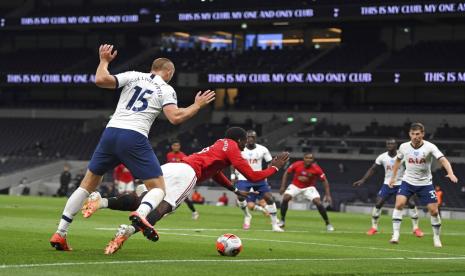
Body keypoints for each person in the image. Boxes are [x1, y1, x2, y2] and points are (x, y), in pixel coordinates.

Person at [49, 44, 215, 251]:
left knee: (87, 185)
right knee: (158, 189)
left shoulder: (134, 75)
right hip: (134, 136)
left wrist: (104, 61)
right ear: (169, 72)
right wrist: (197, 105)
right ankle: (141, 213)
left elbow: (101, 80)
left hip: (110, 133)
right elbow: (175, 117)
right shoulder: (166, 88)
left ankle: (60, 232)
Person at [81, 127, 289, 254]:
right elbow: (252, 176)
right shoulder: (233, 146)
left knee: (142, 198)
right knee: (166, 207)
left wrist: (233, 188)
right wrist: (275, 167)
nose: (244, 147)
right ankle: (129, 230)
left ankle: (103, 203)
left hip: (172, 168)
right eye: (244, 142)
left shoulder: (219, 145)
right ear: (240, 139)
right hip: (187, 174)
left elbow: (216, 172)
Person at [389, 123, 458, 247]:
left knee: (434, 211)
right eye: (413, 134)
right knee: (399, 204)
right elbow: (398, 161)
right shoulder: (404, 147)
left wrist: (451, 173)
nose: (415, 136)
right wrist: (393, 178)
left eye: (418, 134)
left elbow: (443, 160)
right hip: (408, 181)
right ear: (410, 134)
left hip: (425, 184)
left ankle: (436, 238)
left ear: (422, 134)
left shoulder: (430, 147)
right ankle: (395, 234)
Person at [353, 139, 424, 237]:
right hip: (387, 184)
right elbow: (373, 169)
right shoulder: (382, 157)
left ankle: (416, 228)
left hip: (402, 183)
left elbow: (412, 167)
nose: (389, 145)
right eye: (388, 144)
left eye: (392, 144)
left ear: (396, 145)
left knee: (411, 203)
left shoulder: (403, 155)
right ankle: (374, 227)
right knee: (378, 203)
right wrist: (363, 180)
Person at [231, 130, 282, 232]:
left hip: (258, 177)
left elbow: (270, 162)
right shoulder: (240, 148)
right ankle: (247, 215)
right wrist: (233, 175)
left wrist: (267, 173)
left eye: (253, 137)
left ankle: (275, 225)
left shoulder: (263, 149)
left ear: (256, 138)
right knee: (240, 197)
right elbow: (232, 162)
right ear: (245, 138)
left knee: (269, 198)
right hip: (243, 177)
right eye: (248, 137)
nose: (250, 139)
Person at [279, 153, 334, 231]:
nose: (309, 159)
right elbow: (286, 173)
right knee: (285, 198)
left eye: (311, 158)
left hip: (309, 188)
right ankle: (282, 220)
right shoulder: (297, 164)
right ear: (303, 158)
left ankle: (328, 223)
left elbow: (324, 180)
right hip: (295, 186)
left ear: (313, 160)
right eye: (307, 158)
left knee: (318, 203)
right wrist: (282, 186)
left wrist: (328, 195)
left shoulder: (316, 168)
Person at [166, 140, 199, 220]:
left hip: (180, 179)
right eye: (174, 145)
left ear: (179, 147)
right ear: (172, 147)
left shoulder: (183, 155)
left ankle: (194, 212)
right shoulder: (169, 155)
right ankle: (169, 209)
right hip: (171, 178)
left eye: (177, 146)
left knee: (185, 197)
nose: (176, 147)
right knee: (167, 194)